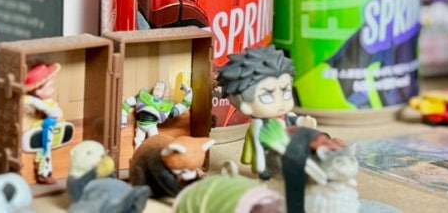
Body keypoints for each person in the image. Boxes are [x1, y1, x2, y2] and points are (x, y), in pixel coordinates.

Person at [216, 45, 316, 179]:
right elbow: (258, 146)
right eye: (267, 96)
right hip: (270, 159)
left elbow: (293, 120)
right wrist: (261, 166)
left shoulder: (285, 116)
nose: (280, 102)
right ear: (246, 105)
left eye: (286, 92)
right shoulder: (259, 125)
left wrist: (302, 122)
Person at [121, 80, 192, 148]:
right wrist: (123, 118)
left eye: (160, 89)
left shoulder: (166, 106)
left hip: (152, 126)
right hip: (140, 125)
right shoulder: (142, 96)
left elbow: (180, 108)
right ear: (153, 88)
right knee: (138, 141)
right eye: (157, 87)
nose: (158, 89)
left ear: (163, 92)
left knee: (155, 142)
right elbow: (128, 101)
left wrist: (189, 92)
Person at [24, 62, 63, 184]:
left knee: (47, 150)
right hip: (47, 127)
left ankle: (45, 171)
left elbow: (57, 112)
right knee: (46, 152)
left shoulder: (48, 102)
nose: (53, 88)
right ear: (38, 91)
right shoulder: (39, 103)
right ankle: (45, 173)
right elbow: (51, 111)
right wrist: (32, 101)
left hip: (52, 124)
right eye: (49, 86)